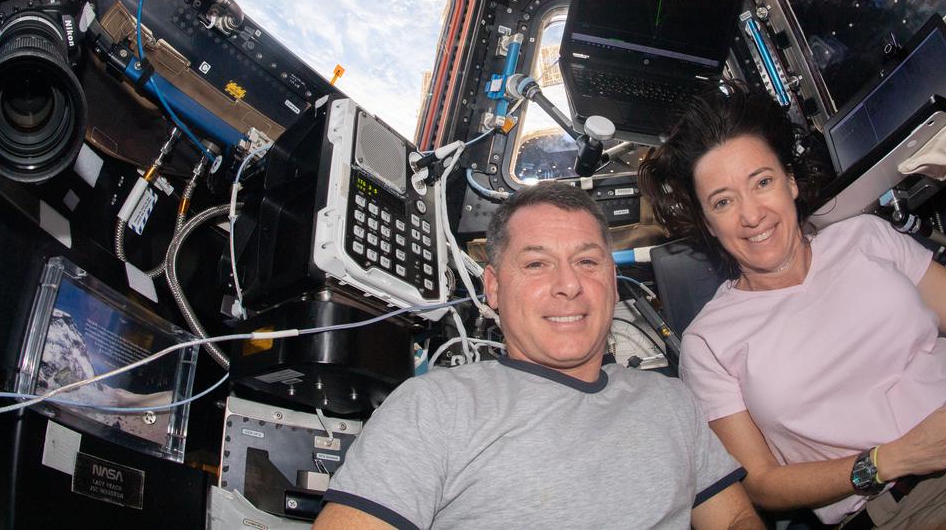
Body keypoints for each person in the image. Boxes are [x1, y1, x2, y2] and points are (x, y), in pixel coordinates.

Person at [638, 82, 946, 528]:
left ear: (789, 182)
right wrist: (884, 460)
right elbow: (762, 484)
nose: (750, 214)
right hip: (907, 504)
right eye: (723, 202)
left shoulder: (864, 237)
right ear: (708, 223)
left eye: (761, 182)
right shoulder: (709, 343)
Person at [314, 181, 762, 530]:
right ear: (493, 287)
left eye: (587, 262)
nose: (569, 284)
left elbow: (736, 518)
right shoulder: (431, 408)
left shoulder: (672, 401)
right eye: (536, 264)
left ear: (612, 277)